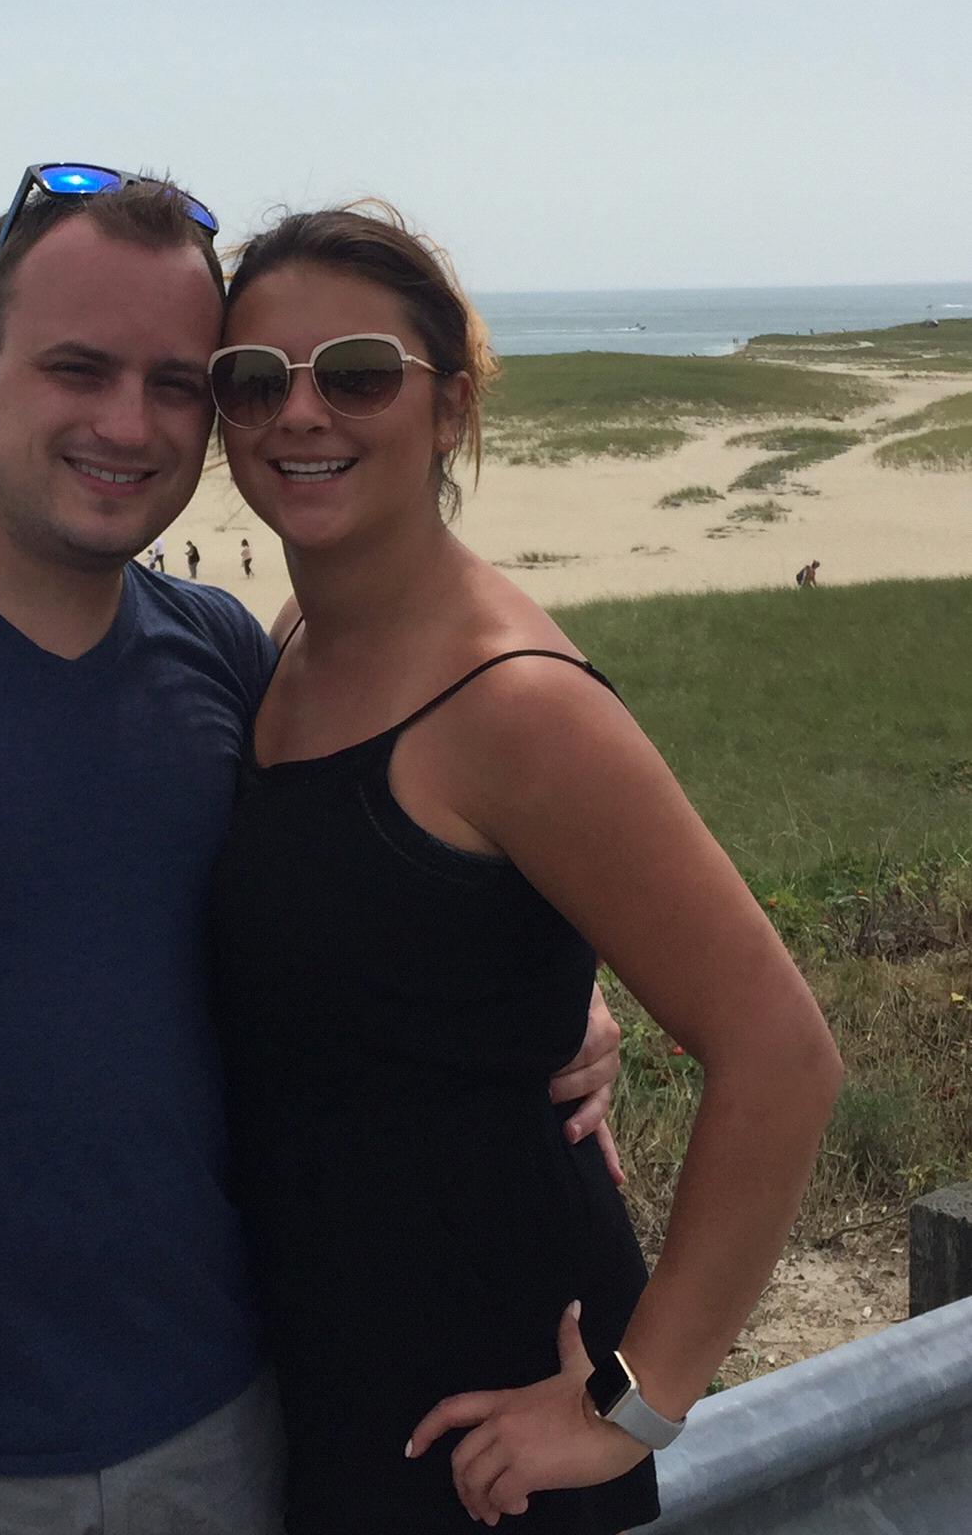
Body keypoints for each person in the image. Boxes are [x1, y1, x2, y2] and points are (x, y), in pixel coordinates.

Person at [0, 172, 622, 1535]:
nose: (127, 426)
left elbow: (359, 900)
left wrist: (549, 993)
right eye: (77, 369)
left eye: (177, 382)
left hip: (223, 1429)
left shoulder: (220, 651)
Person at [207, 204, 842, 1534]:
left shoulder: (515, 703)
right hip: (328, 1359)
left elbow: (781, 1053)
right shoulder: (294, 645)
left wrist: (633, 1402)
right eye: (254, 381)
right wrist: (560, 1000)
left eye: (360, 374)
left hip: (489, 1401)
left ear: (451, 407)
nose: (299, 414)